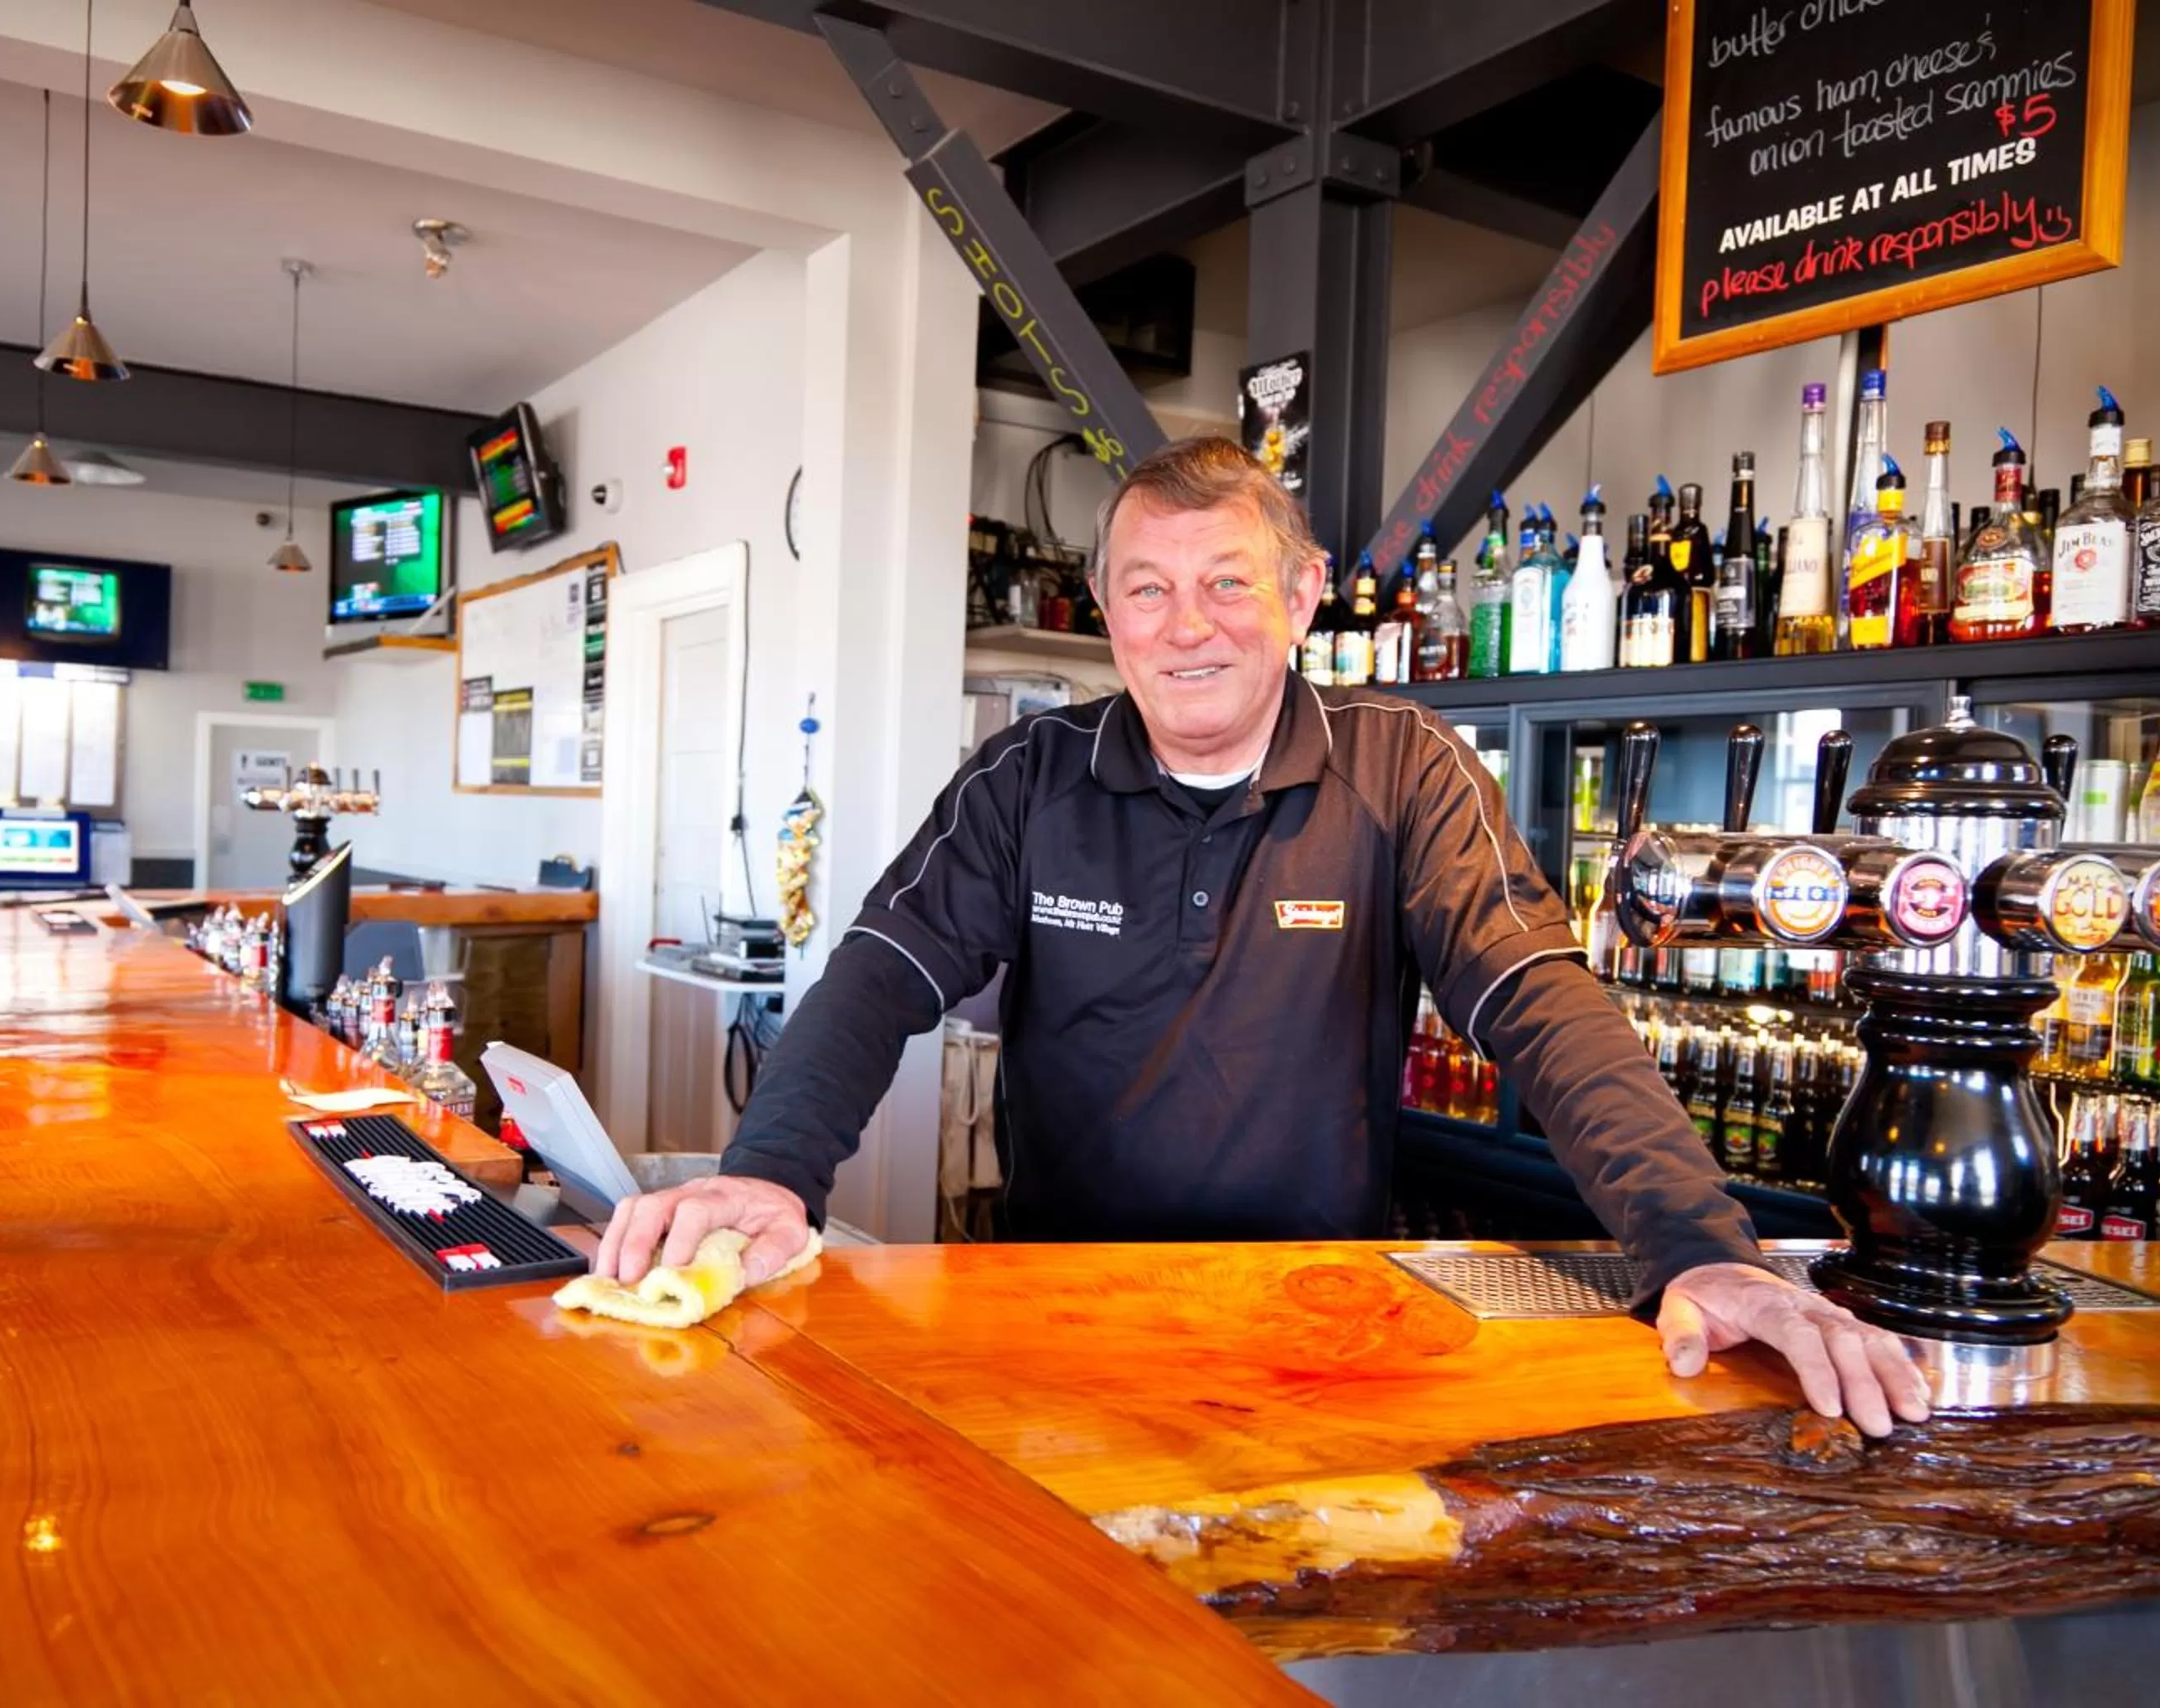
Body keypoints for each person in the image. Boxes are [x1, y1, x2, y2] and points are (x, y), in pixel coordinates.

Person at [598, 436, 1930, 1438]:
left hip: (1324, 1318)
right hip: (1056, 1308)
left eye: (1227, 584)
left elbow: (1538, 999)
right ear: (1106, 610)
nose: (1188, 627)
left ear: (1301, 596)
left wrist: (1701, 1243)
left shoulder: (1403, 767)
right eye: (1147, 589)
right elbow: (881, 976)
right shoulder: (1026, 777)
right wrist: (770, 1172)